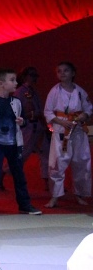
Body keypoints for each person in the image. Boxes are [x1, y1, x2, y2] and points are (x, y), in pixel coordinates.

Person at [0, 68, 43, 218]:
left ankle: (25, 205)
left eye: (15, 80)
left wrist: (22, 122)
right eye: (12, 80)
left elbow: (23, 120)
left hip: (13, 144)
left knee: (19, 175)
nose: (16, 83)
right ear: (1, 83)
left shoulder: (17, 102)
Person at [43, 62, 91, 208]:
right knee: (58, 163)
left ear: (73, 73)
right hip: (61, 131)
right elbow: (48, 112)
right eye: (59, 71)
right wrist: (62, 122)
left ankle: (79, 194)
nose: (62, 73)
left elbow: (88, 108)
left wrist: (83, 116)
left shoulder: (80, 91)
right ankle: (55, 196)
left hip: (78, 130)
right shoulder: (54, 91)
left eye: (66, 70)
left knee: (81, 162)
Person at [14, 66, 50, 188]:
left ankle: (47, 181)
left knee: (46, 153)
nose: (34, 78)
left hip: (38, 127)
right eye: (32, 75)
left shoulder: (34, 92)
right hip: (27, 128)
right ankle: (3, 173)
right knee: (23, 154)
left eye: (35, 75)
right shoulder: (19, 92)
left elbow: (40, 111)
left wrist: (45, 126)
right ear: (25, 76)